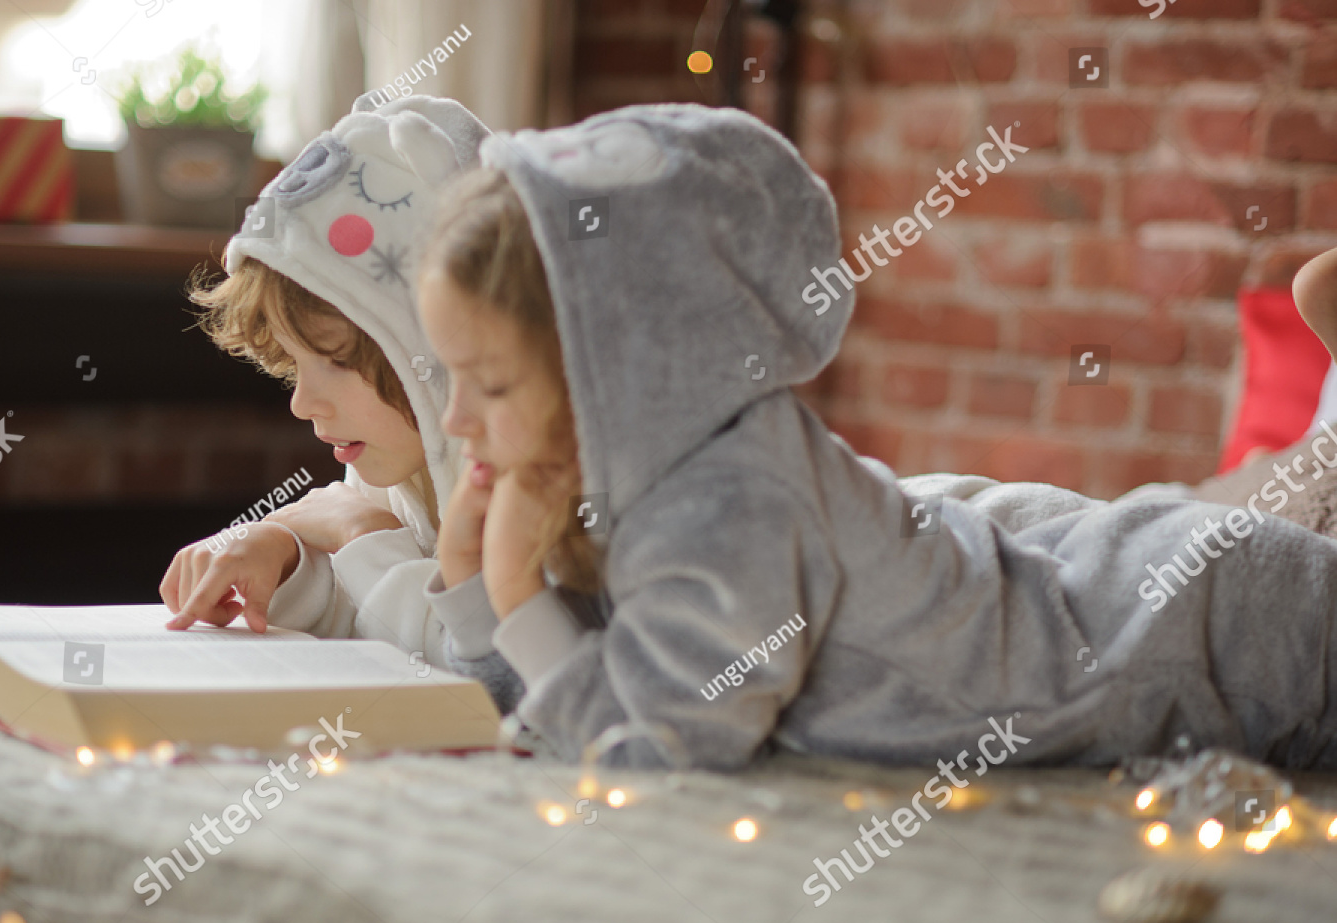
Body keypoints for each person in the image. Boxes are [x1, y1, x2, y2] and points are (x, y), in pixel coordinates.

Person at [416, 104, 1337, 772]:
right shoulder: (660, 462)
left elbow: (655, 746)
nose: (456, 420)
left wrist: (507, 587)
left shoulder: (725, 501)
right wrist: (472, 585)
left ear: (626, 369)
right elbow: (564, 699)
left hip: (1197, 629)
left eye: (490, 385)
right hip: (1107, 581)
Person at [160, 94, 492, 671]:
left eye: (335, 360)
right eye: (294, 364)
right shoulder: (405, 463)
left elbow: (481, 666)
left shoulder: (547, 486)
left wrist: (360, 530)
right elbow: (379, 617)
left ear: (442, 349)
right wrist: (287, 561)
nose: (302, 403)